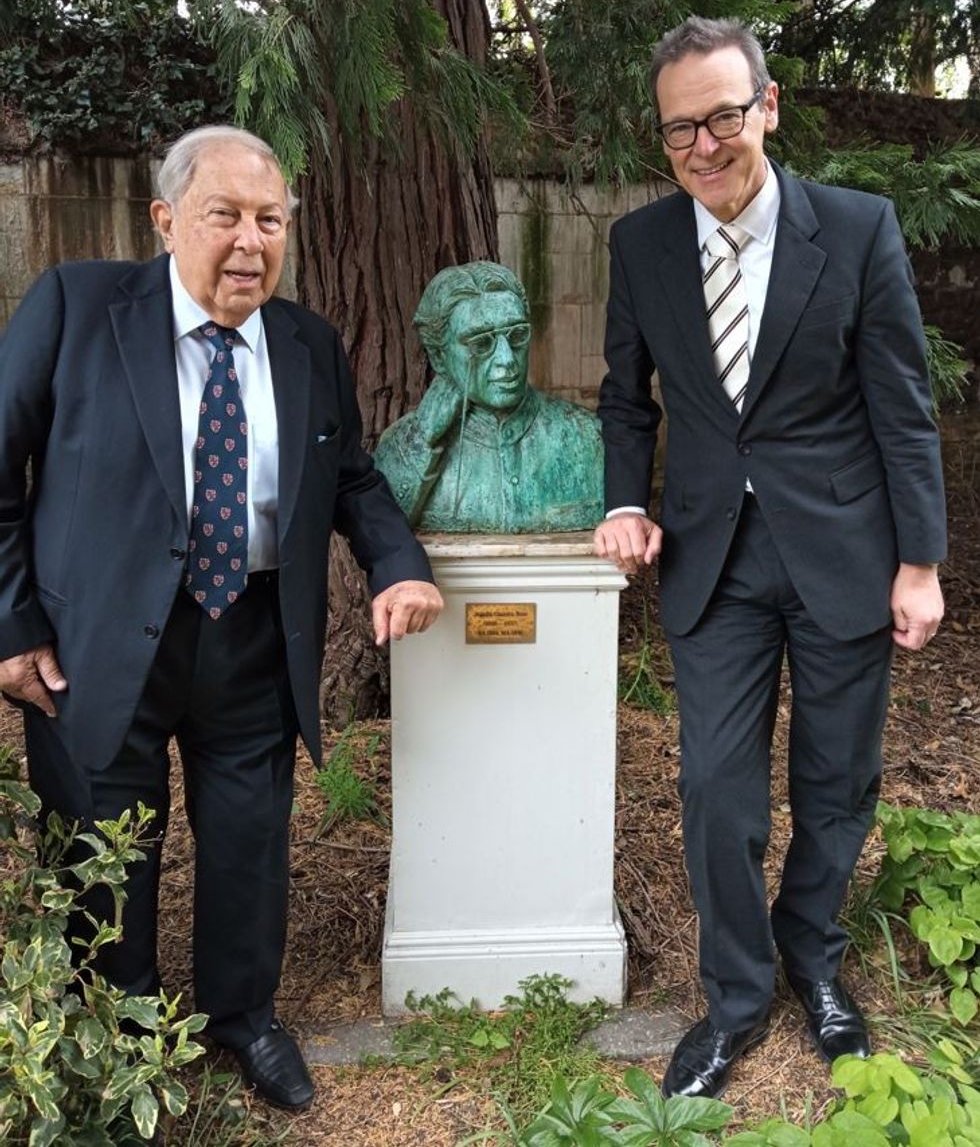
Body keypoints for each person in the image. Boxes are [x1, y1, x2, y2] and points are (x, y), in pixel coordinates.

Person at [0, 125, 443, 1111]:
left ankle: (242, 1017)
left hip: (247, 633)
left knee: (247, 841)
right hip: (92, 642)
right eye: (225, 216)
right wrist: (11, 625)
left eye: (270, 219)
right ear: (165, 221)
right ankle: (123, 1035)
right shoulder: (76, 307)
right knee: (107, 846)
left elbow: (351, 477)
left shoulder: (306, 342)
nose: (250, 241)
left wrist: (396, 561)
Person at [594, 17, 946, 1099]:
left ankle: (814, 956)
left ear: (768, 105)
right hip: (713, 562)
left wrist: (919, 563)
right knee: (715, 790)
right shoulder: (640, 246)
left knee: (835, 784)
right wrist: (621, 501)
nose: (702, 145)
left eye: (721, 117)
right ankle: (735, 996)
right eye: (678, 129)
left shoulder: (854, 229)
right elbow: (624, 399)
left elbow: (901, 407)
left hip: (844, 550)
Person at [375, 260, 603, 533]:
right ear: (438, 356)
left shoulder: (587, 436)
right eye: (481, 343)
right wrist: (423, 438)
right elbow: (381, 535)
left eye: (517, 335)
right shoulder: (403, 448)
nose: (507, 360)